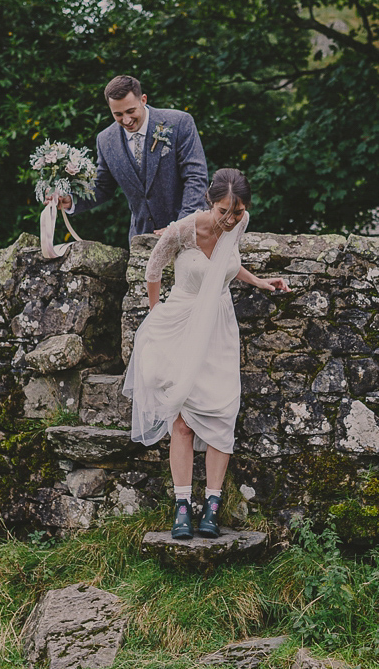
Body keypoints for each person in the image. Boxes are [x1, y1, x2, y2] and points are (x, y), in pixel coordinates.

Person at [123, 168, 289, 539]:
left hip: (219, 329)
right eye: (222, 212)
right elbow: (153, 269)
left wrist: (260, 281)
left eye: (238, 211)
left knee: (222, 414)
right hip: (181, 324)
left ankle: (212, 506)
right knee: (181, 420)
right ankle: (182, 506)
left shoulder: (239, 224)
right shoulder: (183, 229)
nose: (229, 219)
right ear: (210, 203)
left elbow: (227, 265)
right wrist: (156, 315)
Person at [50, 75, 209, 241]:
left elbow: (196, 178)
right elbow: (102, 186)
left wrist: (179, 226)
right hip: (142, 239)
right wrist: (71, 199)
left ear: (143, 100)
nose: (126, 120)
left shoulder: (179, 123)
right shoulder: (105, 140)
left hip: (192, 234)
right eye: (118, 114)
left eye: (130, 111)